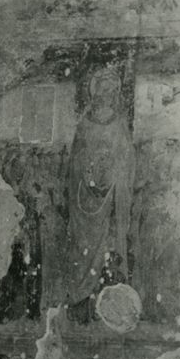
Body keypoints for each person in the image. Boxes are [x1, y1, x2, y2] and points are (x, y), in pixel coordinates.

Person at [63, 68, 135, 317]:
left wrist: (114, 177)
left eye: (113, 91)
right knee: (84, 251)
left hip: (113, 199)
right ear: (96, 93)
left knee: (111, 247)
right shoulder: (84, 125)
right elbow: (76, 164)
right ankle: (82, 301)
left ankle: (110, 306)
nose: (108, 95)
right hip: (87, 201)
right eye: (104, 90)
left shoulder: (119, 124)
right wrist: (91, 176)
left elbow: (127, 160)